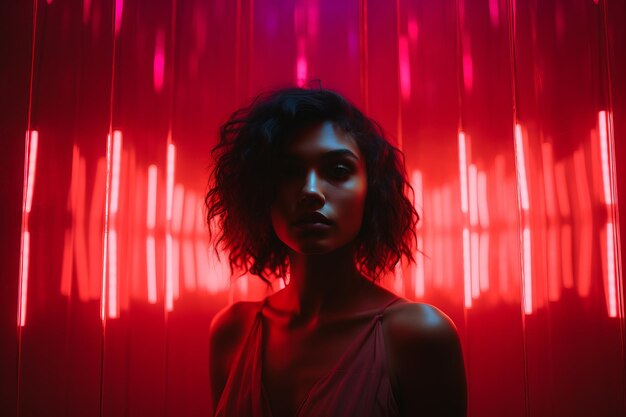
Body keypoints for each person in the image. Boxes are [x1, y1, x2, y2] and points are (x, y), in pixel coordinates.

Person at [205, 87, 467, 417]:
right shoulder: (233, 331)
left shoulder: (418, 335)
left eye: (338, 171)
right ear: (260, 191)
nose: (311, 192)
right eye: (288, 172)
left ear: (370, 190)